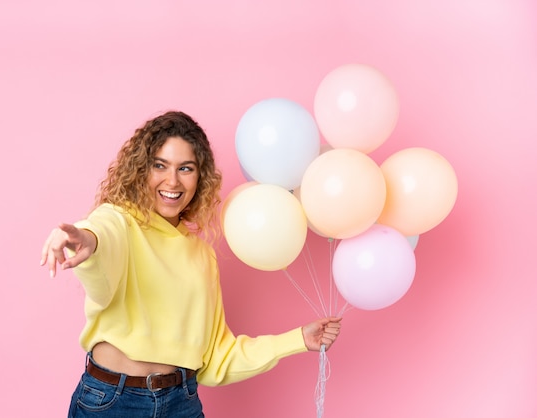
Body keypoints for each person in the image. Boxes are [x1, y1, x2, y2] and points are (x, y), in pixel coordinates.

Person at [40, 111, 342, 418]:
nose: (172, 181)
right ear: (141, 169)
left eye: (185, 168)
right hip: (113, 402)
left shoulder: (201, 255)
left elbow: (215, 360)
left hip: (181, 402)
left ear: (200, 178)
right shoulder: (119, 221)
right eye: (160, 165)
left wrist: (298, 340)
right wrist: (87, 241)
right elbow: (103, 241)